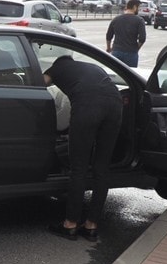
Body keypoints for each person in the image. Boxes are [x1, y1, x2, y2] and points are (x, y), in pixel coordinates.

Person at [42, 54, 124, 241]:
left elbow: (38, 84)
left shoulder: (57, 69)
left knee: (78, 168)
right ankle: (91, 226)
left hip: (88, 107)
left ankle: (70, 224)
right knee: (101, 169)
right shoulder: (91, 67)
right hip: (115, 106)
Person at [105, 0, 146, 67]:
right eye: (138, 7)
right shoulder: (139, 20)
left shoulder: (116, 19)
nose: (139, 9)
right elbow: (142, 38)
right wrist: (136, 48)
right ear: (134, 7)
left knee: (116, 73)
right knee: (129, 75)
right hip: (131, 53)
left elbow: (109, 36)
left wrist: (109, 48)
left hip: (116, 52)